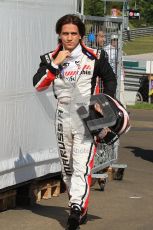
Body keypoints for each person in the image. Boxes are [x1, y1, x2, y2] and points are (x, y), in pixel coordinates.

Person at [33, 14, 117, 230]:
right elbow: (38, 85)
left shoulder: (95, 55)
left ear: (80, 35)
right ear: (59, 35)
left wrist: (104, 103)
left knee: (81, 165)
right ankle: (79, 204)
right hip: (62, 116)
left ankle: (75, 210)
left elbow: (110, 79)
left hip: (85, 114)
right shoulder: (49, 58)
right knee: (67, 168)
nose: (69, 38)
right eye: (65, 33)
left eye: (73, 33)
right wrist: (54, 64)